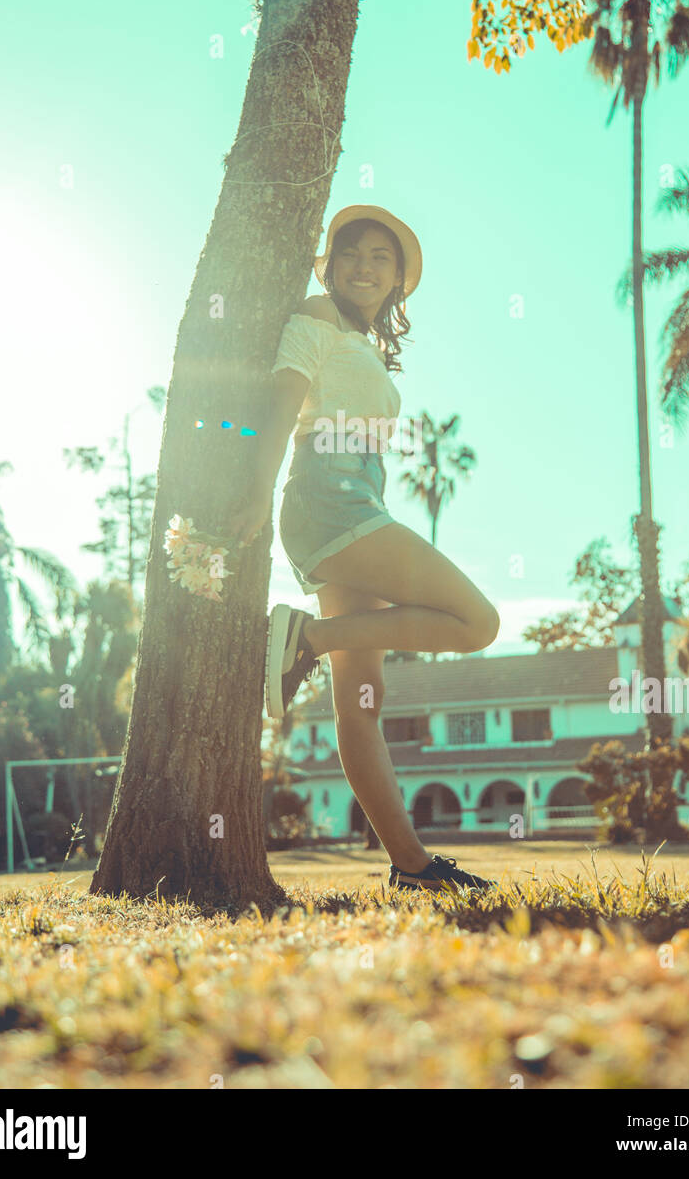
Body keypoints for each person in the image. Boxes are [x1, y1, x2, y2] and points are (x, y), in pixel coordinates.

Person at [229, 205, 499, 893]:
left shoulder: (363, 340)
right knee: (479, 623)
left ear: (398, 281)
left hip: (355, 506)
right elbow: (283, 406)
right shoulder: (317, 319)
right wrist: (257, 493)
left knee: (361, 706)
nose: (364, 267)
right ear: (330, 263)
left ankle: (411, 867)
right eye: (352, 252)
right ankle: (308, 640)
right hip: (330, 504)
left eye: (382, 258)